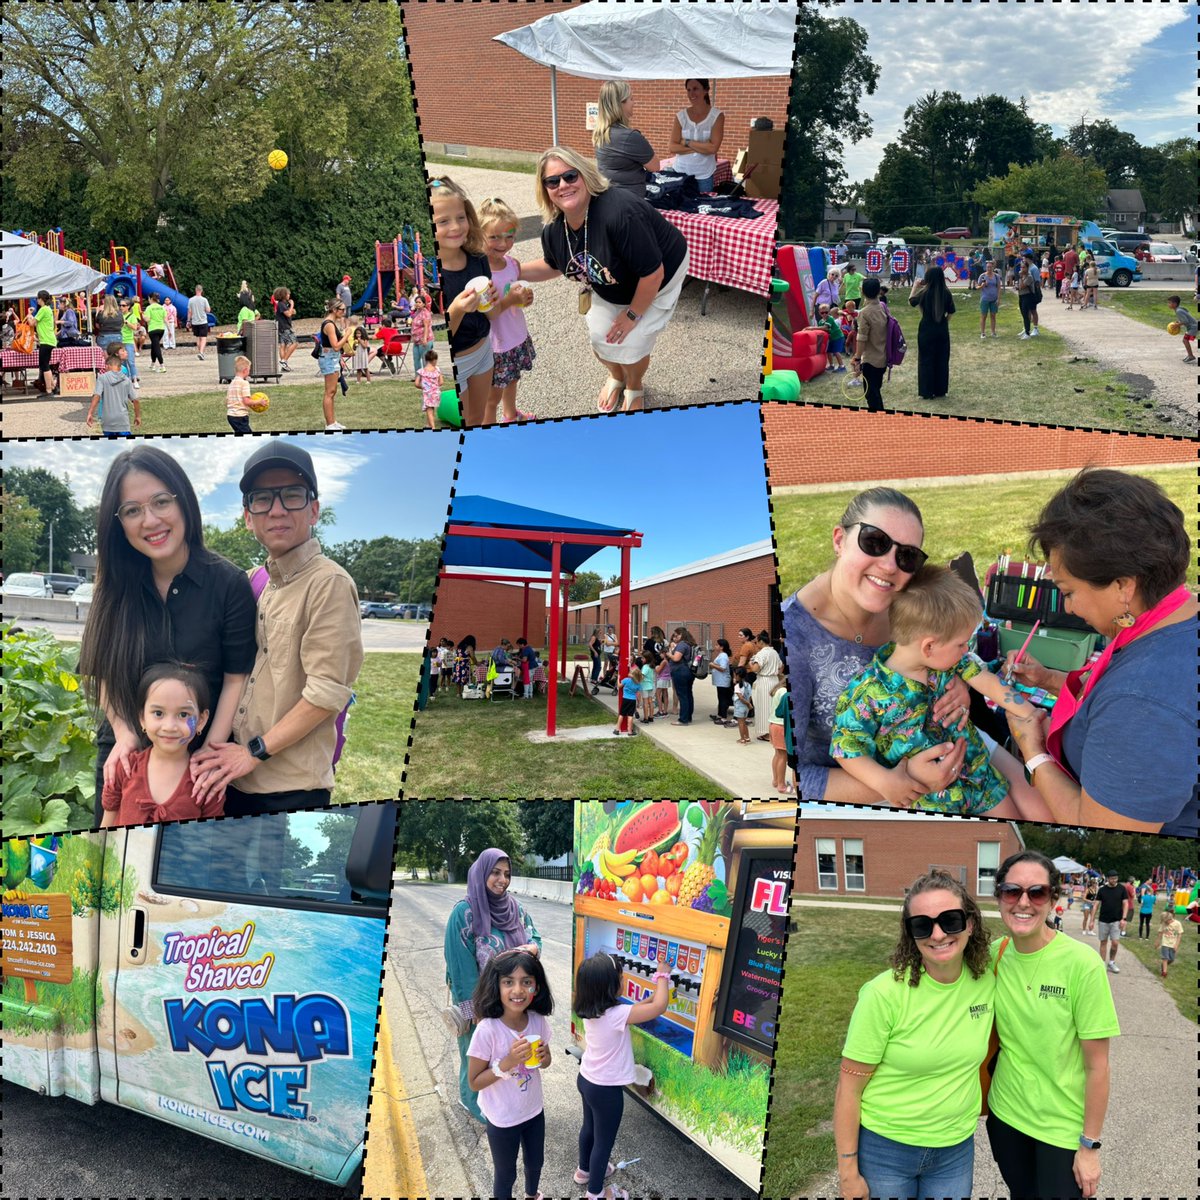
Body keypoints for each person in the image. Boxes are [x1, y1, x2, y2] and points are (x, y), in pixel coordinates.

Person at [1003, 469, 1198, 836]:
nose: (1069, 607)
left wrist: (1034, 752)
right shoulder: (1172, 618)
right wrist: (1049, 680)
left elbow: (1097, 827)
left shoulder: (1143, 703)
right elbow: (1112, 694)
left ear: (1123, 586)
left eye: (1069, 592)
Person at [79, 446, 256, 824]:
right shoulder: (113, 585)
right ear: (118, 523)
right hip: (124, 753)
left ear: (184, 501)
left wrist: (209, 751)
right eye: (132, 510)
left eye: (161, 502)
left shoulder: (228, 584)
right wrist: (124, 733)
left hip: (193, 759)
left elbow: (235, 678)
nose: (150, 520)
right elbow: (100, 670)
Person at [190, 440, 363, 815]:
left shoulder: (329, 584)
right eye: (263, 499)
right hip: (234, 778)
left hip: (289, 788)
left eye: (292, 495)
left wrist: (252, 753)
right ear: (248, 516)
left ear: (314, 509)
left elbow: (326, 693)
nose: (277, 510)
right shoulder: (254, 581)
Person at [784, 486, 972, 803]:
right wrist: (907, 781)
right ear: (839, 540)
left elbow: (950, 649)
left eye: (907, 556)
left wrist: (957, 685)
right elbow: (796, 778)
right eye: (874, 542)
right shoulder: (793, 637)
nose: (889, 566)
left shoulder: (909, 606)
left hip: (947, 765)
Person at [830, 564, 1053, 818]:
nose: (966, 650)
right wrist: (885, 782)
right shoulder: (867, 692)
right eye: (961, 644)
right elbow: (845, 746)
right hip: (930, 800)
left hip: (979, 776)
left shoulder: (948, 660)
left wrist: (1033, 715)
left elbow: (990, 683)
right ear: (929, 647)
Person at [835, 870, 993, 1200]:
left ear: (970, 924)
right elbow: (848, 1089)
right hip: (886, 1150)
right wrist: (848, 1172)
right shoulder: (883, 994)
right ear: (911, 934)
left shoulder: (987, 979)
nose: (938, 934)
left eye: (950, 920)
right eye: (922, 925)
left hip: (955, 1150)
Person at [987, 851, 1118, 1200]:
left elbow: (1098, 1066)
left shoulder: (1082, 964)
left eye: (1037, 892)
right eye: (1012, 891)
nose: (1023, 902)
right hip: (1005, 1116)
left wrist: (1089, 1145)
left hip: (1060, 1129)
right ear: (999, 896)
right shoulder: (995, 955)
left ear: (1052, 899)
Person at [519, 147, 689, 414]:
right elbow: (554, 265)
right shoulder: (554, 228)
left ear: (585, 175)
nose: (562, 185)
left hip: (659, 274)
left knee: (634, 343)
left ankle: (634, 386)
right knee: (600, 338)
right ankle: (616, 377)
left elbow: (652, 273)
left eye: (570, 176)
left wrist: (631, 315)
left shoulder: (619, 212)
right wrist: (513, 270)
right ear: (545, 189)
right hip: (613, 281)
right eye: (552, 181)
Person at [444, 849, 542, 1122]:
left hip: (514, 1000)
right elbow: (460, 969)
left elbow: (535, 937)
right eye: (495, 873)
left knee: (506, 1054)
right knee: (477, 1054)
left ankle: (506, 1103)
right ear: (481, 873)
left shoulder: (515, 909)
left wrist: (532, 948)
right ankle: (472, 1102)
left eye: (507, 874)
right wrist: (476, 1009)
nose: (503, 880)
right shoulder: (464, 914)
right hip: (480, 1002)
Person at [574, 952, 671, 1200]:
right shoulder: (618, 1014)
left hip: (586, 1079)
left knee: (589, 1128)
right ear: (611, 986)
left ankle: (584, 1171)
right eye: (620, 977)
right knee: (603, 1142)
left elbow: (634, 1010)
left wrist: (649, 998)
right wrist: (663, 975)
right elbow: (659, 1007)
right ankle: (595, 1193)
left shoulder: (592, 1009)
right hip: (605, 1091)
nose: (623, 980)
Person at [430, 177, 522, 427]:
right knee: (466, 421)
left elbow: (492, 314)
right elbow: (442, 334)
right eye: (443, 221)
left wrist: (496, 301)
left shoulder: (478, 259)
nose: (455, 227)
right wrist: (457, 309)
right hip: (458, 360)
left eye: (461, 217)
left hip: (483, 352)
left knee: (477, 418)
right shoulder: (434, 276)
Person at [466, 950, 554, 1200]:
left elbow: (545, 1063)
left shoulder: (537, 1021)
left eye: (526, 982)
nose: (518, 990)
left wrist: (545, 1058)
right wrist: (508, 1062)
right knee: (506, 1174)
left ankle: (532, 1195)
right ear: (496, 986)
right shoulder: (487, 1030)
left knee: (535, 1163)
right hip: (502, 1118)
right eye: (508, 982)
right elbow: (474, 1082)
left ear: (536, 987)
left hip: (533, 1110)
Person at [101, 664, 221, 826]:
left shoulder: (206, 783)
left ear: (201, 720)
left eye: (183, 714)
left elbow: (210, 836)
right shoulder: (126, 767)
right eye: (158, 713)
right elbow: (105, 828)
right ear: (142, 718)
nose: (169, 726)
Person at [479, 196, 537, 425]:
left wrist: (524, 298)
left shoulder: (513, 264)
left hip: (515, 336)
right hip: (497, 344)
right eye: (494, 237)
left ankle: (510, 415)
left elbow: (514, 293)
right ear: (480, 235)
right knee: (491, 398)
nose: (502, 243)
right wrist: (511, 299)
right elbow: (487, 312)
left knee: (513, 379)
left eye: (509, 236)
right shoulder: (481, 273)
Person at [593, 80, 660, 197]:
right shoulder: (629, 137)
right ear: (620, 104)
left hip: (609, 196)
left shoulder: (601, 132)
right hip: (629, 200)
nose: (634, 103)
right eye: (631, 99)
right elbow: (655, 166)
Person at [667, 78, 724, 192]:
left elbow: (713, 148)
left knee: (703, 203)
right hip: (680, 173)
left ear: (706, 90)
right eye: (688, 90)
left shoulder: (717, 116)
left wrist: (686, 142)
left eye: (695, 89)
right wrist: (703, 147)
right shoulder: (681, 116)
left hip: (704, 175)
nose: (691, 93)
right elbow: (672, 147)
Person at [908, 265, 955, 398]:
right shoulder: (946, 292)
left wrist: (915, 286)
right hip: (941, 329)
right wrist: (944, 322)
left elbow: (911, 301)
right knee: (942, 359)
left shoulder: (924, 292)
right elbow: (951, 312)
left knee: (926, 360)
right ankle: (940, 390)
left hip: (926, 328)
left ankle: (927, 391)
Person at [851, 277, 888, 412]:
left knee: (871, 395)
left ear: (862, 291)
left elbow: (861, 339)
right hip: (883, 357)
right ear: (878, 291)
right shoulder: (882, 307)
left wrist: (857, 358)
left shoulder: (865, 312)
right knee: (875, 390)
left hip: (871, 360)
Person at [86, 347, 141, 436]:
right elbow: (135, 400)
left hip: (107, 421)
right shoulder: (126, 380)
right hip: (123, 421)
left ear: (107, 366)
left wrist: (90, 413)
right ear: (120, 367)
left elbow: (97, 396)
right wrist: (137, 416)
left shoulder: (102, 378)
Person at [316, 296, 350, 431]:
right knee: (329, 392)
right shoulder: (329, 324)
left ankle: (332, 421)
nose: (344, 312)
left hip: (333, 358)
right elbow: (335, 346)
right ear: (334, 310)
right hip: (329, 358)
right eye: (342, 310)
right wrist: (347, 335)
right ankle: (329, 424)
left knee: (332, 391)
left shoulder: (331, 323)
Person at [747, 630, 782, 742]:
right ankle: (773, 732)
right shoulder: (774, 652)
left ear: (761, 642)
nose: (756, 644)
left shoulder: (762, 653)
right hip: (774, 680)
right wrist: (774, 672)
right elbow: (781, 666)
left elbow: (755, 669)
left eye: (756, 642)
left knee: (763, 707)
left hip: (764, 681)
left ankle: (766, 733)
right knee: (773, 706)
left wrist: (750, 664)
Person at [1094, 870, 1129, 974]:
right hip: (1103, 920)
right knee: (1103, 942)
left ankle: (1112, 962)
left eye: (1116, 878)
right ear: (1108, 879)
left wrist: (1124, 918)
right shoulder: (1102, 890)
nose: (1114, 880)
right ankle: (1102, 963)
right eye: (1112, 878)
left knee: (1115, 943)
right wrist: (1091, 920)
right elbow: (1096, 905)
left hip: (1116, 920)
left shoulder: (1122, 889)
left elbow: (1125, 904)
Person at [665, 626, 696, 725]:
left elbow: (676, 658)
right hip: (689, 672)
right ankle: (688, 717)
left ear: (681, 635)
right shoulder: (690, 644)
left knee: (682, 696)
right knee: (688, 694)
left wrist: (669, 654)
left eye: (676, 635)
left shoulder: (682, 644)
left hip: (680, 672)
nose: (674, 637)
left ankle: (683, 719)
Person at [32, 289, 58, 395]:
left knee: (44, 365)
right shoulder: (48, 309)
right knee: (45, 364)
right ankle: (52, 386)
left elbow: (32, 323)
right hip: (49, 340)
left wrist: (29, 314)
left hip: (46, 341)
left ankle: (49, 390)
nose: (37, 300)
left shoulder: (43, 309)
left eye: (37, 298)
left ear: (41, 299)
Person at [809, 303, 844, 372]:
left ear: (829, 312)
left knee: (836, 351)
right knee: (828, 351)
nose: (824, 314)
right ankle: (831, 365)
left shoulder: (830, 318)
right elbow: (821, 331)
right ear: (819, 313)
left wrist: (812, 328)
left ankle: (842, 366)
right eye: (822, 313)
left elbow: (825, 327)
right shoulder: (820, 321)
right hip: (831, 338)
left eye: (826, 312)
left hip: (837, 337)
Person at [770, 677, 790, 793]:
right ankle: (781, 785)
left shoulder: (779, 690)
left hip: (774, 724)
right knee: (783, 756)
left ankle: (776, 780)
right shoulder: (785, 692)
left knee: (778, 754)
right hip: (781, 725)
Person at [409, 292, 435, 383]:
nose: (417, 304)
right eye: (416, 302)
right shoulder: (416, 313)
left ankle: (427, 377)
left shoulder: (425, 313)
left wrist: (424, 339)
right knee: (416, 359)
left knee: (425, 359)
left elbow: (426, 327)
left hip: (424, 339)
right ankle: (418, 377)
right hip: (416, 340)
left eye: (419, 302)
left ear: (424, 304)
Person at [224, 354, 253, 433]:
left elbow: (226, 401)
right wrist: (259, 402)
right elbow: (246, 401)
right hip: (240, 415)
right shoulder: (244, 383)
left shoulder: (232, 383)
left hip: (230, 415)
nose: (249, 372)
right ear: (245, 370)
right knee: (247, 435)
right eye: (249, 370)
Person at [417, 348, 444, 430]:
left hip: (428, 394)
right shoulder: (437, 370)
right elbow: (441, 382)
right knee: (432, 409)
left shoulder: (422, 371)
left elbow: (416, 383)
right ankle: (429, 425)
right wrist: (435, 386)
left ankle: (433, 427)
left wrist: (423, 387)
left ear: (426, 360)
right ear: (434, 360)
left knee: (429, 410)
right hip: (436, 393)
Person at [1014, 258, 1041, 340]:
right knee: (1023, 314)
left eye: (1024, 267)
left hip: (1028, 296)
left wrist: (1021, 278)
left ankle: (1027, 333)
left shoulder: (1029, 276)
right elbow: (1018, 287)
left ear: (1027, 268)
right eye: (1021, 267)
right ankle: (1026, 329)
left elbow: (1022, 286)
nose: (1022, 269)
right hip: (1021, 296)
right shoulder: (1021, 276)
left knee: (1027, 314)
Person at [708, 637, 733, 725]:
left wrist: (712, 665)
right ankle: (720, 715)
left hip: (723, 681)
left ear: (721, 647)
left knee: (723, 699)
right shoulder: (721, 655)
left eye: (717, 645)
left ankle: (723, 717)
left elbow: (723, 668)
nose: (715, 646)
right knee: (720, 698)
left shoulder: (723, 656)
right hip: (720, 681)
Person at [272, 286, 297, 371]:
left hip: (281, 327)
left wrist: (290, 309)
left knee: (283, 345)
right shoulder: (281, 304)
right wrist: (292, 305)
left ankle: (284, 366)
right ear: (283, 295)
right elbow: (289, 314)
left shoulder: (283, 304)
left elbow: (293, 311)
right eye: (288, 294)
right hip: (285, 327)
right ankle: (283, 361)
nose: (289, 295)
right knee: (295, 343)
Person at [1166, 294, 1197, 363]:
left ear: (1175, 304)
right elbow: (1187, 313)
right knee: (1186, 340)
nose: (1168, 304)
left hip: (1193, 327)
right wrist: (1179, 322)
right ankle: (1190, 356)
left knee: (1185, 340)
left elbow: (1186, 321)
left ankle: (1191, 356)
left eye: (1169, 303)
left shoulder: (1178, 311)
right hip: (1193, 326)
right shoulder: (1180, 308)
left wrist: (1177, 325)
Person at [118, 298, 141, 389]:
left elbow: (135, 328)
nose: (121, 307)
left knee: (131, 362)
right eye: (120, 305)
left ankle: (134, 380)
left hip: (128, 341)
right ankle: (126, 380)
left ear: (128, 307)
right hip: (120, 341)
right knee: (122, 362)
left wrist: (127, 323)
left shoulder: (132, 316)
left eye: (123, 305)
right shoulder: (118, 315)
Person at [1155, 907, 1183, 978]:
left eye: (1166, 921)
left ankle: (1164, 965)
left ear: (1170, 919)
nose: (1166, 922)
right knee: (1165, 958)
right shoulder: (1164, 924)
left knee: (1171, 959)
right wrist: (1157, 942)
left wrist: (1176, 945)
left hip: (1173, 944)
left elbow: (1180, 935)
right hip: (1165, 943)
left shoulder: (1177, 923)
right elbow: (1160, 933)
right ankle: (1164, 972)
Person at [978, 260, 1002, 339]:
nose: (989, 268)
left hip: (994, 299)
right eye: (988, 267)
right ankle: (982, 333)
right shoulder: (982, 276)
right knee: (984, 316)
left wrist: (998, 299)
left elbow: (999, 288)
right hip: (985, 299)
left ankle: (993, 332)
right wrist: (982, 285)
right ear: (986, 267)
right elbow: (977, 287)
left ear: (993, 267)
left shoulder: (996, 276)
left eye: (990, 267)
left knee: (993, 316)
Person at [187, 285, 212, 360]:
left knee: (198, 338)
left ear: (195, 290)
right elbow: (208, 310)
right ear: (201, 291)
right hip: (203, 321)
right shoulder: (204, 300)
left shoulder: (191, 300)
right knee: (203, 338)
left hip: (195, 322)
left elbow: (189, 312)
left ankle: (200, 353)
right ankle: (201, 352)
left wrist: (188, 321)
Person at [615, 660, 639, 736]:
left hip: (625, 699)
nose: (629, 673)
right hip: (633, 700)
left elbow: (619, 686)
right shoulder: (638, 683)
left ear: (632, 675)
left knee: (621, 714)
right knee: (630, 716)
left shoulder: (626, 680)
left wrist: (618, 679)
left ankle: (617, 729)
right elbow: (637, 693)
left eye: (630, 672)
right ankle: (630, 731)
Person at [144, 293, 166, 372]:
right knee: (154, 346)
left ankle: (162, 365)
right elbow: (165, 318)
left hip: (153, 329)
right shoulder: (162, 307)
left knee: (156, 347)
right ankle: (152, 364)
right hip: (161, 328)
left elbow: (147, 319)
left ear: (151, 299)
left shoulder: (149, 308)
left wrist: (143, 316)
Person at [731, 667, 753, 744]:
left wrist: (748, 704)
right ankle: (747, 737)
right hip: (746, 707)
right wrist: (749, 704)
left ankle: (742, 738)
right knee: (744, 723)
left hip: (739, 707)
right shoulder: (748, 685)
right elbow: (750, 696)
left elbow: (740, 698)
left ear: (738, 676)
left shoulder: (737, 686)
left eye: (734, 675)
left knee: (740, 723)